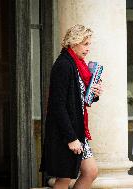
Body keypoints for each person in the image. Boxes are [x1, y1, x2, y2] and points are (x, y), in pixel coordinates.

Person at [40, 24, 103, 189]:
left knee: (90, 171)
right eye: (85, 44)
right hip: (65, 132)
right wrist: (71, 138)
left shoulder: (77, 65)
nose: (88, 48)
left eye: (89, 44)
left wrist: (94, 93)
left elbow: (79, 98)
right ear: (74, 42)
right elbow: (57, 105)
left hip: (76, 130)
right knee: (64, 178)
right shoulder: (64, 65)